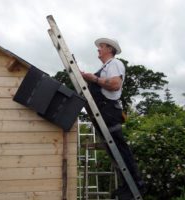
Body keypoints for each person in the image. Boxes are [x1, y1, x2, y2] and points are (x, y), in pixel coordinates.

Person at [81, 38, 145, 199]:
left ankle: (136, 185)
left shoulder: (115, 64)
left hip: (109, 111)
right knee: (114, 152)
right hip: (104, 112)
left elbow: (115, 84)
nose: (98, 49)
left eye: (101, 47)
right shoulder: (105, 67)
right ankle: (127, 186)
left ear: (109, 49)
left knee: (120, 150)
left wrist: (93, 79)